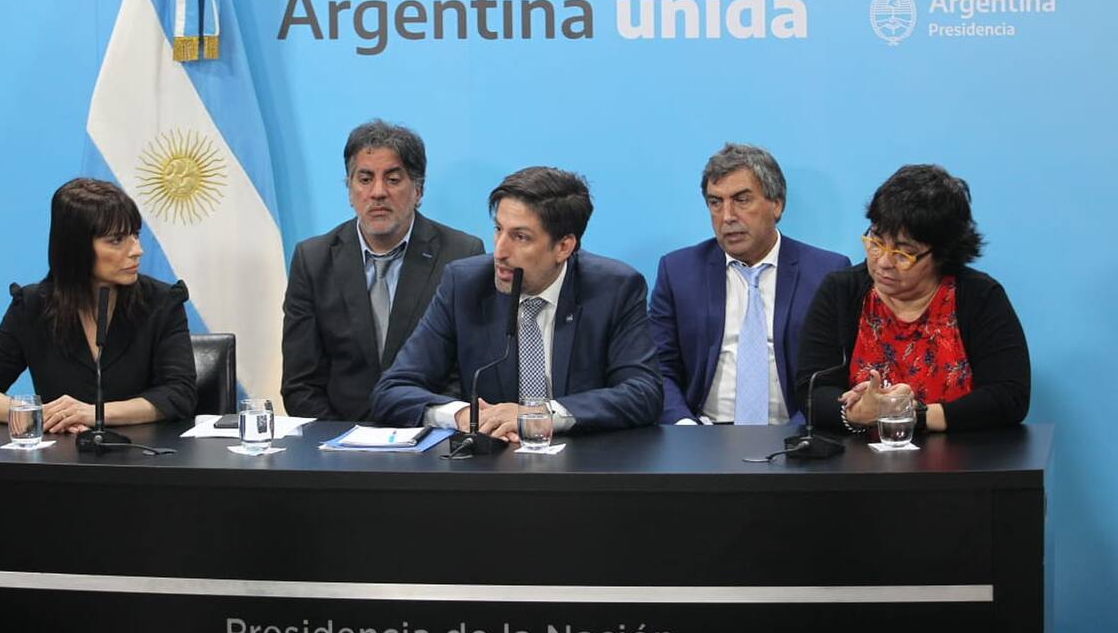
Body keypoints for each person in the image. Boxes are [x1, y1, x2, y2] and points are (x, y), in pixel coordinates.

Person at [370, 166, 663, 439]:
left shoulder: (614, 288)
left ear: (563, 246)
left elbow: (643, 393)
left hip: (584, 468)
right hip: (492, 468)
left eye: (520, 237)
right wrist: (461, 415)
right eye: (498, 230)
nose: (500, 251)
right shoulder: (464, 284)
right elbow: (392, 390)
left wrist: (541, 414)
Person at [796, 164, 1030, 433]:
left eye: (903, 253)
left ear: (941, 254)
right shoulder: (841, 291)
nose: (883, 262)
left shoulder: (980, 296)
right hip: (860, 466)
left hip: (962, 464)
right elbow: (811, 391)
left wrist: (912, 415)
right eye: (876, 241)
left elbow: (1010, 397)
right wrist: (860, 412)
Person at [281, 119, 484, 419]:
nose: (377, 192)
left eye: (392, 179)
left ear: (418, 190)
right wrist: (346, 441)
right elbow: (300, 384)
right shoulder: (313, 259)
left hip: (430, 439)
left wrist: (426, 425)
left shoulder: (460, 255)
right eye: (364, 179)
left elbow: (465, 373)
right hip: (339, 445)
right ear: (350, 190)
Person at [0, 178, 197, 432]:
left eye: (135, 235)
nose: (137, 250)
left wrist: (94, 414)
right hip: (60, 463)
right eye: (116, 240)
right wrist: (37, 414)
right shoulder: (32, 306)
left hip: (145, 459)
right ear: (76, 247)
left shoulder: (162, 302)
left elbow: (179, 394)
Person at [649, 144, 849, 425]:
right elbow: (658, 369)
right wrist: (684, 427)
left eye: (742, 200)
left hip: (794, 434)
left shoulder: (826, 273)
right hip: (701, 434)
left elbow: (834, 376)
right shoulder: (678, 271)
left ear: (776, 204)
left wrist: (797, 433)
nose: (727, 216)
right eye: (715, 202)